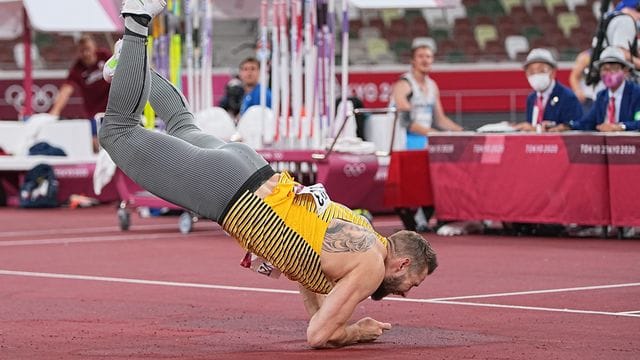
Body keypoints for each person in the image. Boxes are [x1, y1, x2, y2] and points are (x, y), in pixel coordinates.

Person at [100, 0, 438, 349]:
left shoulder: (361, 231)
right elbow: (319, 336)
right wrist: (357, 329)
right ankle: (137, 22)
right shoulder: (370, 267)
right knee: (117, 131)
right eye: (413, 283)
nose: (407, 294)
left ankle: (129, 58)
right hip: (232, 191)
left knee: (182, 124)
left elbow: (309, 280)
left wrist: (330, 317)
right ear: (402, 263)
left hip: (250, 166)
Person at [389, 38, 463, 232]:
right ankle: (413, 221)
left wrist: (460, 132)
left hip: (426, 139)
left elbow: (440, 119)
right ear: (413, 60)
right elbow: (406, 122)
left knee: (437, 177)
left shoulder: (432, 86)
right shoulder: (404, 84)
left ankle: (423, 219)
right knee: (412, 185)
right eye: (421, 56)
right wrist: (434, 134)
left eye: (429, 57)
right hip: (405, 141)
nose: (425, 60)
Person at [48, 34, 112, 152]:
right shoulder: (77, 68)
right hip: (94, 113)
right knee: (95, 143)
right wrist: (55, 111)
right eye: (82, 51)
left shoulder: (105, 56)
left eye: (88, 49)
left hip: (113, 109)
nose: (86, 54)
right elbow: (66, 90)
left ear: (94, 47)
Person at [554, 46, 640, 132]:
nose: (609, 73)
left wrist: (620, 127)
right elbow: (588, 122)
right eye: (604, 69)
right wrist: (567, 126)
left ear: (625, 71)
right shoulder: (601, 96)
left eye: (614, 68)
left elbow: (638, 121)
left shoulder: (636, 93)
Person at [514, 48, 583, 132]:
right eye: (531, 71)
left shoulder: (567, 96)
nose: (536, 75)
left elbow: (577, 124)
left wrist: (562, 127)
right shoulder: (531, 98)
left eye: (542, 70)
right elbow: (531, 125)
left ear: (553, 72)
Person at [569, 48, 606, 113]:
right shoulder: (586, 57)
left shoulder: (613, 54)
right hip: (588, 99)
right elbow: (574, 76)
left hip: (605, 98)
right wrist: (578, 91)